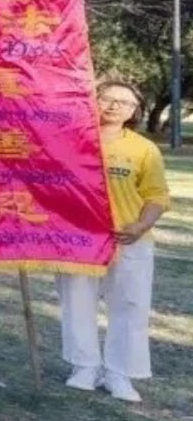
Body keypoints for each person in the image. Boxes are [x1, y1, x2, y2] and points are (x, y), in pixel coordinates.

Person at [58, 81, 172, 403]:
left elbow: (157, 195)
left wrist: (140, 225)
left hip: (128, 239)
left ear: (135, 111)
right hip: (79, 239)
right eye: (107, 98)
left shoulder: (143, 149)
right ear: (94, 100)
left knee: (130, 305)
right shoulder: (70, 140)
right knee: (77, 301)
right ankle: (84, 367)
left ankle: (119, 373)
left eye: (124, 102)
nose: (114, 106)